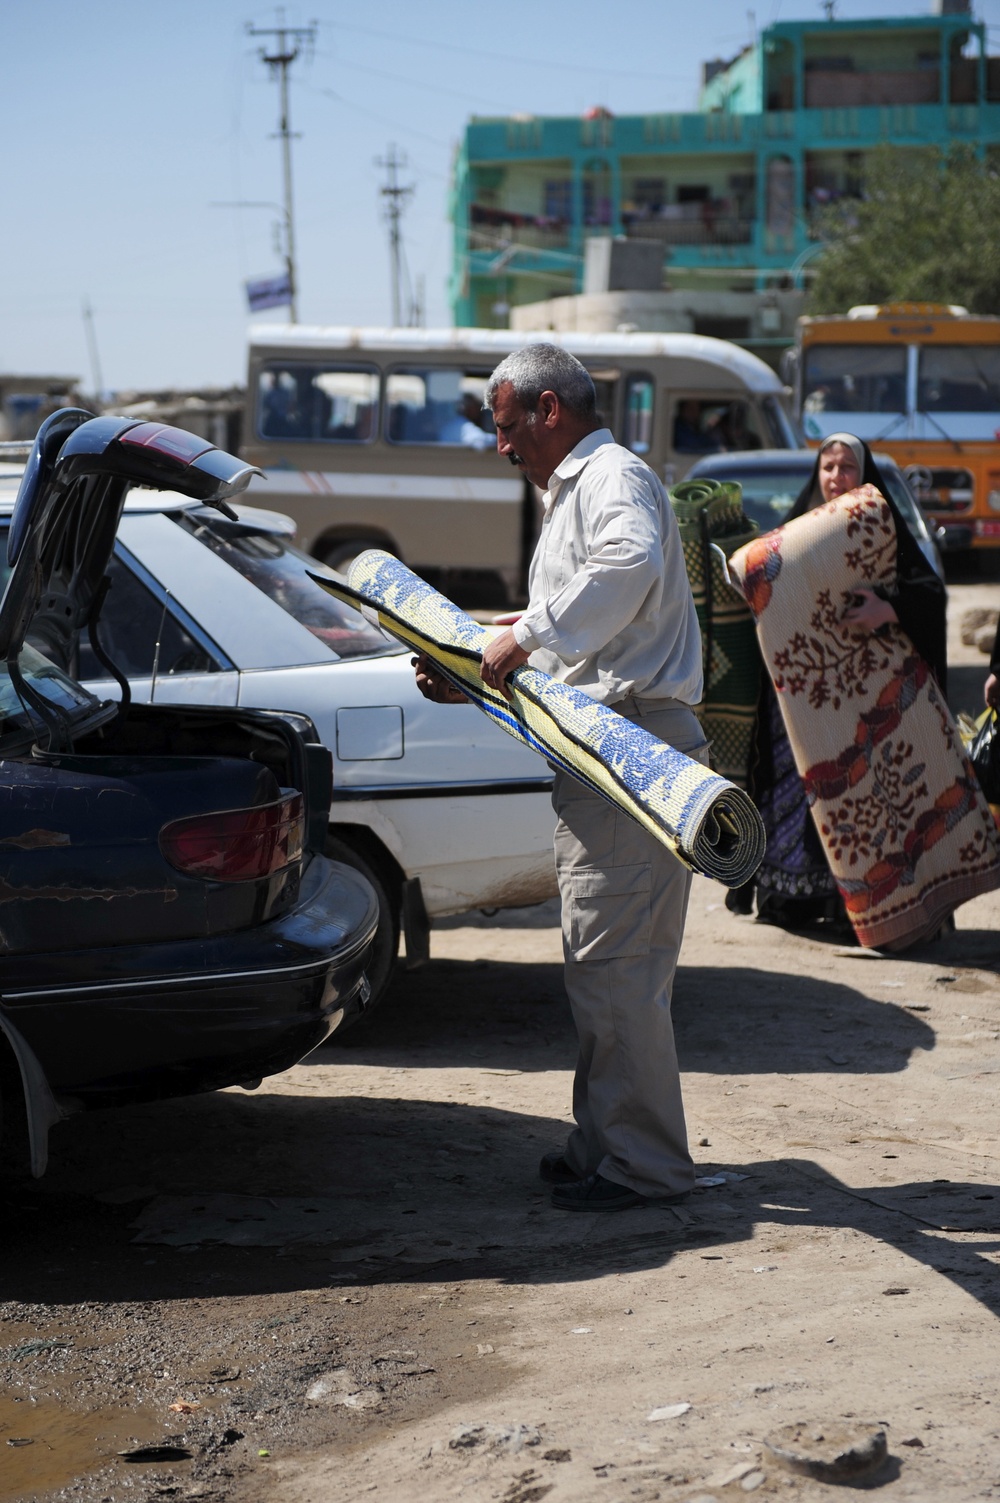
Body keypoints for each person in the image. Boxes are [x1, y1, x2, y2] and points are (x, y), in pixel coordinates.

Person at [414, 344, 706, 1212]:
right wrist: (477, 662)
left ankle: (642, 1165)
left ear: (548, 410)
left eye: (507, 426)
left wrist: (526, 634)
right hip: (611, 747)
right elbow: (581, 640)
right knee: (605, 965)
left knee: (615, 968)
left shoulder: (610, 476)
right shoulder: (580, 484)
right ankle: (606, 1145)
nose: (502, 446)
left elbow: (624, 568)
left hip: (629, 749)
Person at [734, 431, 947, 930]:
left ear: (863, 473)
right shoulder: (794, 531)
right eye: (828, 467)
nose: (836, 477)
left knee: (862, 796)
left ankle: (860, 906)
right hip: (802, 696)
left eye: (847, 467)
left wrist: (887, 609)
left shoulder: (886, 526)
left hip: (866, 695)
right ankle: (790, 899)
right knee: (799, 788)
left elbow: (929, 595)